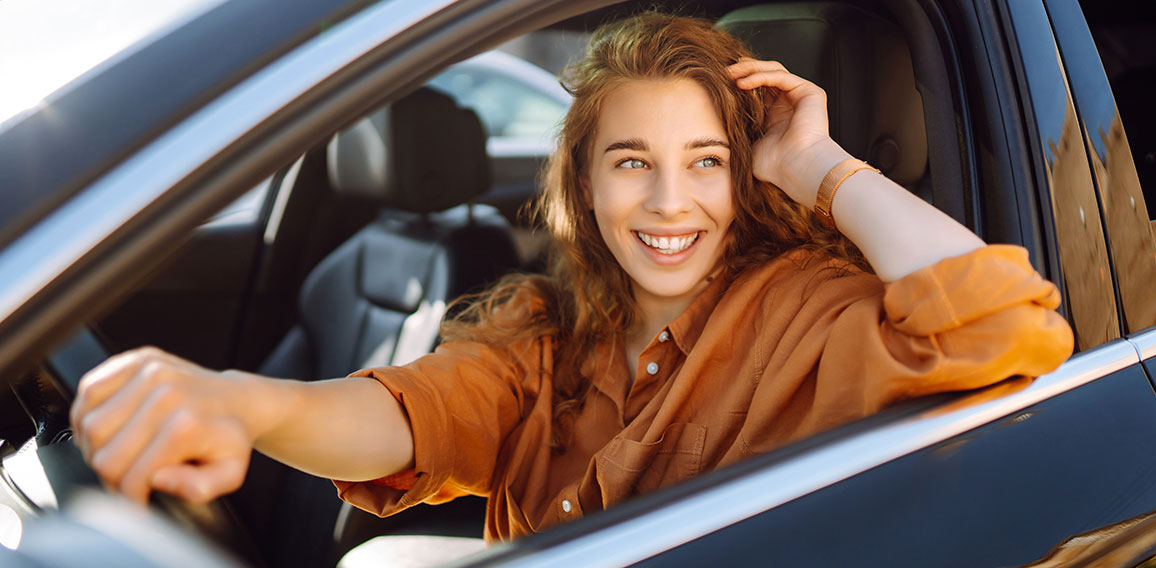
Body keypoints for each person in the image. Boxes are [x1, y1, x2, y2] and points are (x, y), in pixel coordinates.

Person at [69, 13, 1073, 543]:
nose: (668, 202)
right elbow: (402, 416)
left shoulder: (802, 308)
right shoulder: (545, 331)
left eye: (706, 161)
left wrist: (818, 169)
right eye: (631, 161)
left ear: (743, 173)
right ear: (584, 187)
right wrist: (233, 402)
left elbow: (1003, 330)